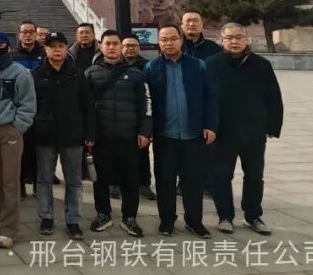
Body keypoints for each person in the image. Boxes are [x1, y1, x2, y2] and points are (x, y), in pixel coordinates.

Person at [207, 23, 282, 236]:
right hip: (223, 132)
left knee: (255, 175)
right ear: (222, 40)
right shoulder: (212, 64)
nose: (234, 41)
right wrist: (207, 126)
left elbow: (273, 97)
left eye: (238, 37)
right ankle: (225, 216)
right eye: (229, 38)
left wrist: (273, 126)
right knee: (221, 175)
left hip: (253, 131)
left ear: (246, 39)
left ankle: (253, 215)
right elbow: (205, 98)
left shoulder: (261, 65)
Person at [145, 24, 218, 238]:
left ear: (181, 40)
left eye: (173, 38)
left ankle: (194, 221)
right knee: (165, 180)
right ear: (159, 43)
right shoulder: (151, 68)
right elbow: (146, 102)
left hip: (193, 134)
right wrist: (147, 130)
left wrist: (211, 125)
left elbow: (211, 98)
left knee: (194, 180)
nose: (168, 43)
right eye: (164, 39)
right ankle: (167, 221)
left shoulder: (198, 66)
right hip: (164, 135)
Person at [85, 30, 151, 238]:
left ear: (121, 46)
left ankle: (129, 217)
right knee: (101, 179)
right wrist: (89, 134)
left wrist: (145, 132)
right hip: (102, 137)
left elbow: (146, 105)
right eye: (108, 44)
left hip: (129, 136)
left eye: (115, 43)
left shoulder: (136, 74)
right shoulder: (91, 73)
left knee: (131, 179)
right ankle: (103, 214)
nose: (112, 47)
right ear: (101, 46)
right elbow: (85, 107)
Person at [0, 32, 36, 249]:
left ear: (8, 47)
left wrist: (17, 127)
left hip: (9, 130)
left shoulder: (20, 73)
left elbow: (28, 104)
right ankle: (1, 218)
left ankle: (9, 229)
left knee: (11, 181)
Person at [31, 32, 93, 241]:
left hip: (72, 136)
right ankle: (46, 217)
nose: (56, 50)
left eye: (60, 46)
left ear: (66, 48)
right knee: (44, 179)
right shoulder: (36, 75)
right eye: (52, 46)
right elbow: (31, 106)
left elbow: (88, 107)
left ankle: (73, 220)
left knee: (74, 181)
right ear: (45, 49)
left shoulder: (77, 75)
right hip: (45, 136)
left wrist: (89, 133)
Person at [11, 20, 45, 199]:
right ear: (19, 34)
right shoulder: (12, 55)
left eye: (31, 31)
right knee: (20, 152)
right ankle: (21, 185)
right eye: (24, 32)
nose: (28, 35)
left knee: (39, 151)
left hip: (41, 108)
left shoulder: (44, 54)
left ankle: (39, 185)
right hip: (20, 109)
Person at [122, 34, 156, 201]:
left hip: (141, 115)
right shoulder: (115, 65)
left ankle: (144, 184)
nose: (130, 49)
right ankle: (116, 183)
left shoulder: (147, 66)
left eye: (133, 46)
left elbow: (150, 94)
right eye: (126, 46)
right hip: (121, 116)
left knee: (142, 153)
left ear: (139, 48)